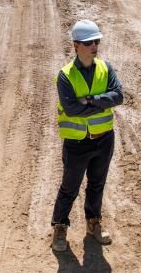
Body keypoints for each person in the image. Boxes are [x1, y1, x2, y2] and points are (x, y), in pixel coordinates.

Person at [51, 19, 125, 252]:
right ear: (75, 45)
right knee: (70, 186)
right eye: (88, 42)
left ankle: (93, 222)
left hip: (104, 139)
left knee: (97, 183)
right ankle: (60, 226)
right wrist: (103, 101)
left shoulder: (106, 68)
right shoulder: (65, 76)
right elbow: (71, 108)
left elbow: (119, 96)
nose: (94, 46)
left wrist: (90, 100)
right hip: (77, 142)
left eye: (96, 41)